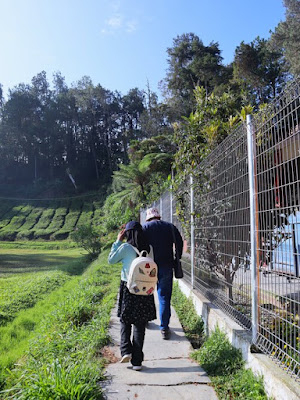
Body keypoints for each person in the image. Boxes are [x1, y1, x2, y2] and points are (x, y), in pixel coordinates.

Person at [108, 221, 156, 371]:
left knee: (125, 319)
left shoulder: (125, 247)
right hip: (144, 288)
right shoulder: (149, 248)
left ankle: (125, 350)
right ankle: (137, 362)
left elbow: (111, 260)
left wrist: (117, 241)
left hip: (129, 288)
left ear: (127, 233)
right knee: (140, 323)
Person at [142, 207, 183, 340]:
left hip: (148, 266)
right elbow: (179, 242)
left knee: (146, 293)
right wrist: (177, 257)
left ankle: (145, 318)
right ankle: (164, 328)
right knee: (164, 297)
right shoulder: (169, 227)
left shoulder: (145, 228)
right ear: (159, 216)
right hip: (166, 266)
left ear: (148, 218)